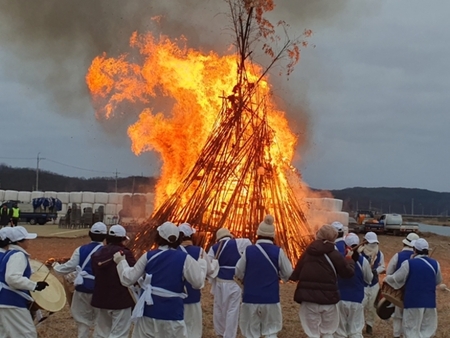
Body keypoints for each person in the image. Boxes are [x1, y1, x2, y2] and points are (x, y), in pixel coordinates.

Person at [114, 221, 205, 338]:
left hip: (149, 313)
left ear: (158, 237)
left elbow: (128, 279)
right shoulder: (185, 259)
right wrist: (201, 265)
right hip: (173, 314)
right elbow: (198, 283)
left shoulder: (148, 256)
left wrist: (121, 262)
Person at [290, 224, 355, 338]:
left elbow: (295, 274)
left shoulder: (307, 253)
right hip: (329, 299)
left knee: (312, 333)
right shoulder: (335, 255)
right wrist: (349, 260)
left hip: (308, 299)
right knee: (328, 332)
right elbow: (347, 273)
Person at [235, 215, 293, 338]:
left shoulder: (249, 250)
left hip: (250, 298)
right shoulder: (278, 251)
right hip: (270, 298)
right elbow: (288, 273)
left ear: (258, 234)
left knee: (251, 332)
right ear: (273, 235)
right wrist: (281, 277)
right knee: (271, 331)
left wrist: (245, 280)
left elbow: (238, 271)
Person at [48, 222, 108, 338]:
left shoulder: (80, 250)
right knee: (100, 322)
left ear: (89, 234)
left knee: (82, 322)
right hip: (100, 291)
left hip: (82, 288)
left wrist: (55, 265)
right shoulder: (107, 252)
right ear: (105, 236)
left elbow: (68, 267)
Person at [384, 238, 441, 338]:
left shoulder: (408, 263)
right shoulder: (436, 264)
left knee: (411, 331)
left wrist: (386, 279)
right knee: (426, 332)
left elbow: (396, 279)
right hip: (430, 303)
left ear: (415, 250)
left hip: (413, 302)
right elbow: (437, 281)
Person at [0, 226, 49, 337]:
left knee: (5, 334)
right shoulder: (18, 255)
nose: (29, 241)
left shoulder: (8, 254)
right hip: (12, 301)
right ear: (19, 241)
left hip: (4, 300)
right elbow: (12, 278)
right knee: (27, 334)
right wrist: (34, 285)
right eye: (26, 239)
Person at [91, 224, 136, 338]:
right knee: (119, 333)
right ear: (122, 239)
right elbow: (131, 275)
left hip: (101, 298)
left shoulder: (98, 254)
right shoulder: (125, 254)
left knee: (101, 332)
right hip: (121, 299)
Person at [208, 228, 251, 338]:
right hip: (234, 281)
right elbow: (249, 244)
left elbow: (209, 266)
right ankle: (229, 335)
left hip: (219, 281)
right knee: (233, 310)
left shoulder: (214, 248)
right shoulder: (239, 242)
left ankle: (220, 333)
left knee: (219, 307)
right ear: (230, 236)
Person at [178, 222, 217, 338]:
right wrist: (215, 263)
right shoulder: (199, 251)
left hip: (176, 297)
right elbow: (209, 270)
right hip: (192, 296)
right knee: (193, 329)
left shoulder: (173, 251)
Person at [335, 233, 373, 338]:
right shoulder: (363, 261)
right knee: (355, 331)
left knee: (340, 331)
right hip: (357, 299)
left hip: (340, 298)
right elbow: (368, 279)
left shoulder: (339, 259)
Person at [385, 232, 419, 338]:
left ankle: (396, 335)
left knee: (397, 315)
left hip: (398, 291)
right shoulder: (418, 259)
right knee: (410, 316)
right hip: (413, 291)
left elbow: (389, 272)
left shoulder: (398, 256)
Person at [360, 231, 385, 335]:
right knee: (361, 306)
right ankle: (359, 326)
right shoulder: (360, 252)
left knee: (372, 307)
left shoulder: (379, 253)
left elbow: (383, 266)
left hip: (374, 284)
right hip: (362, 284)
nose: (373, 245)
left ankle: (369, 325)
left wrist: (376, 271)